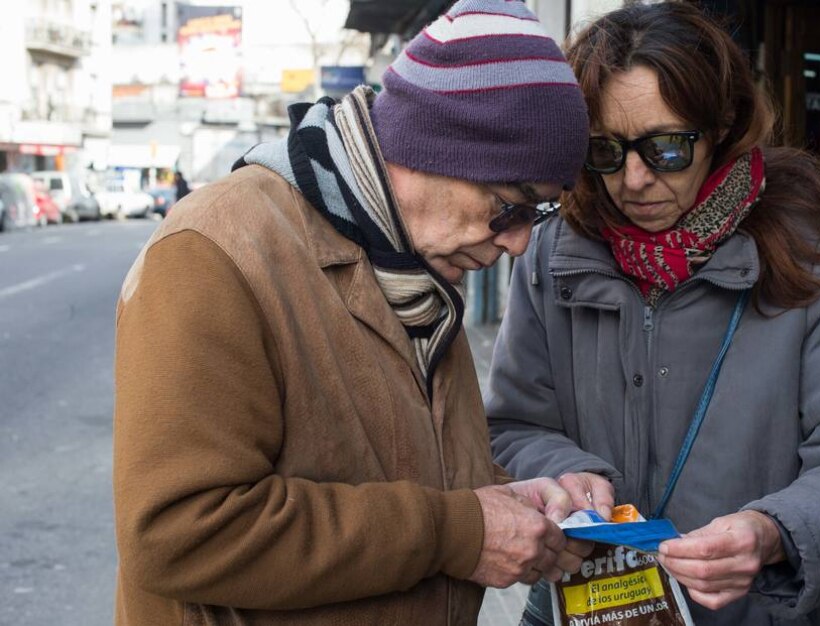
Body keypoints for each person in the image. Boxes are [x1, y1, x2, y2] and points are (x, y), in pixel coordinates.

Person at [112, 1, 595, 624]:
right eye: (512, 205)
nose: (520, 242)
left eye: (539, 214)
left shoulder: (409, 264)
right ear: (434, 149)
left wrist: (513, 502)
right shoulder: (215, 251)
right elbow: (178, 533)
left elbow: (394, 464)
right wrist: (459, 531)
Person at [485, 3, 820, 625]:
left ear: (722, 128)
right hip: (588, 606)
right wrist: (564, 475)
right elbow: (512, 427)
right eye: (605, 150)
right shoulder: (551, 253)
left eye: (666, 148)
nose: (633, 179)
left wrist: (772, 532)